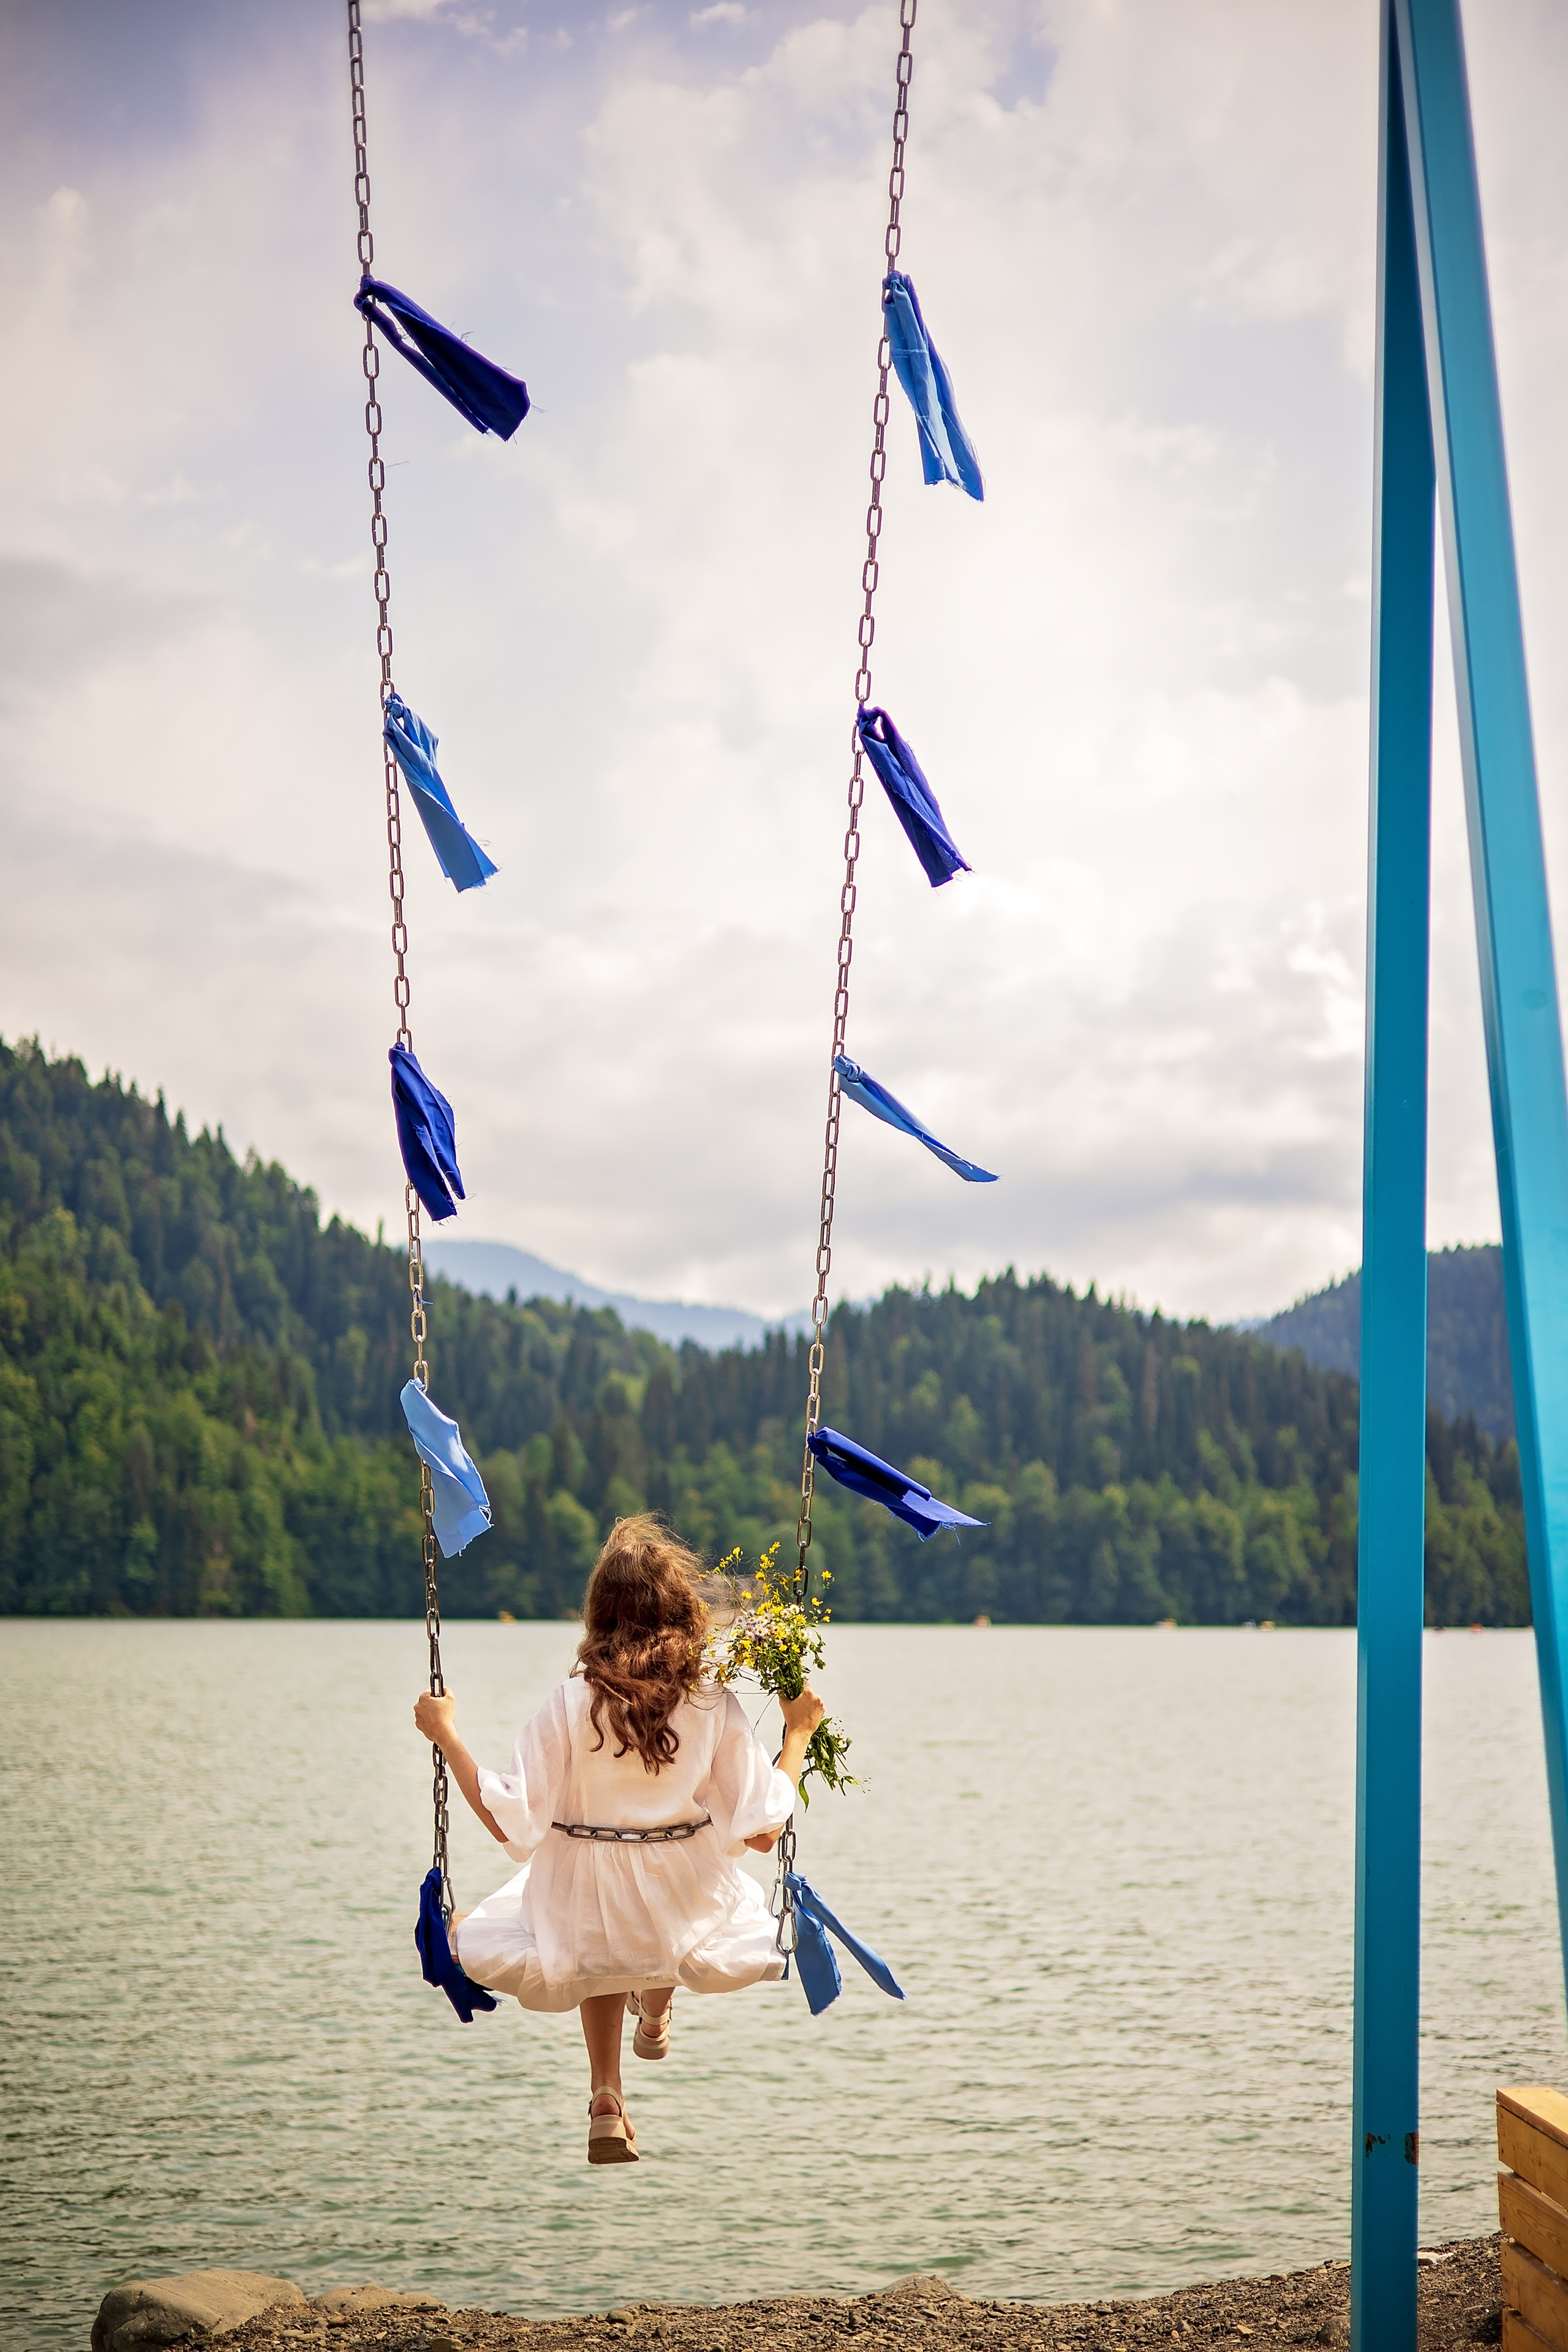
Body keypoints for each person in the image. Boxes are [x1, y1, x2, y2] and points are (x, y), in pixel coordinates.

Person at [413, 1513, 826, 2165]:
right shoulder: (709, 1701)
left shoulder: (570, 1701)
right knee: (673, 1910)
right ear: (682, 1612)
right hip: (680, 1898)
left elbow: (509, 1821)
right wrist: (797, 1733)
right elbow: (762, 1831)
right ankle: (656, 2012)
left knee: (595, 1926)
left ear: (600, 1615)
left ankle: (606, 2095)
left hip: (584, 1899)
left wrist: (446, 1735)